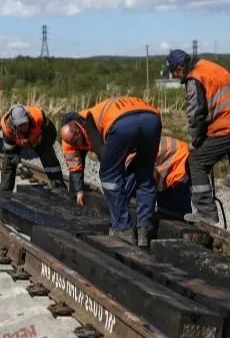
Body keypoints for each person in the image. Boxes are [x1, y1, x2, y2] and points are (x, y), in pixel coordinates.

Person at [165, 49, 230, 237]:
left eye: (174, 73)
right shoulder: (210, 67)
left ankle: (206, 212)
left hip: (228, 129)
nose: (175, 77)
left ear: (181, 68)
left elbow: (195, 113)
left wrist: (196, 140)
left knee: (196, 161)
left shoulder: (194, 78)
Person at [60, 96, 162, 246]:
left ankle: (123, 229)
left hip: (124, 124)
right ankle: (145, 230)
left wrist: (119, 187)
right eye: (74, 141)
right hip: (152, 120)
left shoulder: (88, 122)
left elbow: (105, 157)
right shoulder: (70, 138)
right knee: (145, 173)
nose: (78, 142)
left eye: (78, 138)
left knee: (108, 176)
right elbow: (75, 166)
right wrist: (78, 190)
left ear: (77, 127)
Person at [62, 131, 192, 223]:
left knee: (177, 215)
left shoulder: (130, 157)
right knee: (164, 211)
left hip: (180, 165)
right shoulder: (125, 151)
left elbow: (135, 183)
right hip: (166, 169)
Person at [0, 104, 66, 193]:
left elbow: (52, 134)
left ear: (28, 117)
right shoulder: (7, 129)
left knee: (48, 156)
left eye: (25, 123)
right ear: (14, 124)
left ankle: (59, 187)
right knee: (8, 162)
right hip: (17, 141)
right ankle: (5, 194)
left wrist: (41, 143)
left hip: (37, 138)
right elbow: (10, 152)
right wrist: (20, 165)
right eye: (21, 125)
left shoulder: (38, 118)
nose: (24, 127)